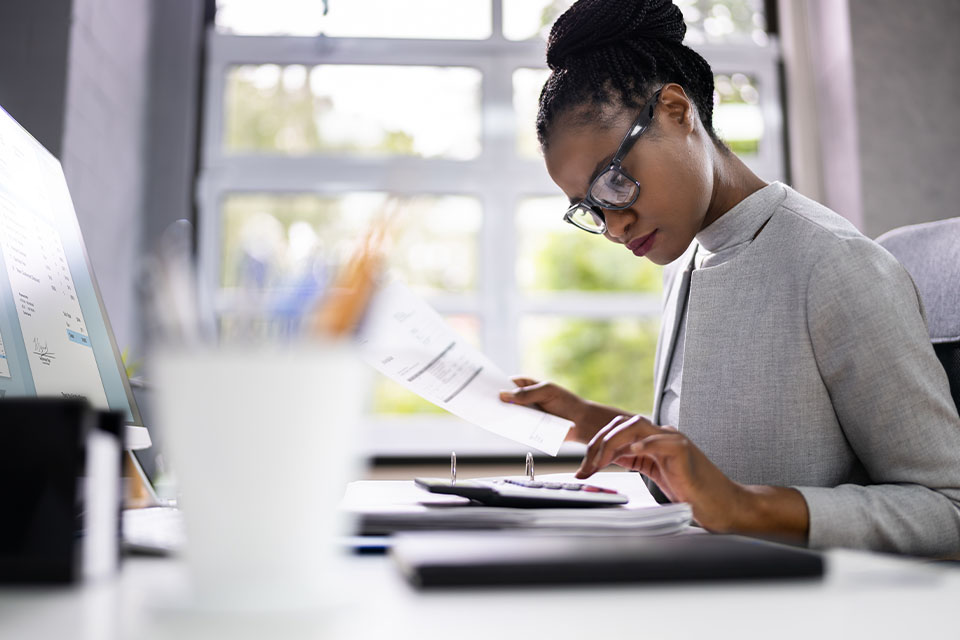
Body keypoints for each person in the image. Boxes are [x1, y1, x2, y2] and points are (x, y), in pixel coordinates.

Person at [500, 0, 960, 556]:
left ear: (675, 109)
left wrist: (747, 507)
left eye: (615, 183)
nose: (615, 226)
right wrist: (593, 421)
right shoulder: (686, 259)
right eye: (591, 209)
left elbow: (947, 506)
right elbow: (715, 458)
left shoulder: (835, 266)